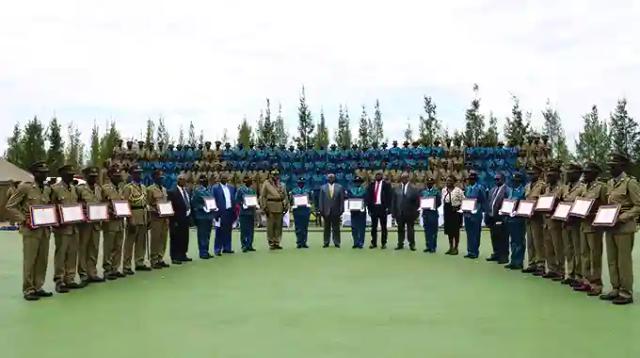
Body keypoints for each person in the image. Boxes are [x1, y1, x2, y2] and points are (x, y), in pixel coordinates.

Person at [5, 161, 54, 301]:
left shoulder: (47, 189)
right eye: (42, 172)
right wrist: (24, 219)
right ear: (34, 173)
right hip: (30, 230)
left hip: (44, 229)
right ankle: (28, 289)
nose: (45, 175)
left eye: (46, 172)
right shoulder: (24, 187)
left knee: (42, 260)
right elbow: (10, 206)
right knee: (30, 260)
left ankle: (38, 286)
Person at [601, 154, 640, 305]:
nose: (610, 168)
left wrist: (622, 217)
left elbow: (638, 206)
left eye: (613, 165)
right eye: (609, 165)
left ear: (622, 166)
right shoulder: (609, 183)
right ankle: (615, 287)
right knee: (612, 259)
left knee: (623, 261)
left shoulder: (630, 183)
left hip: (624, 227)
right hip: (610, 227)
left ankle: (626, 292)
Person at [574, 162, 607, 295]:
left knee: (595, 255)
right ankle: (586, 281)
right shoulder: (584, 188)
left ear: (595, 174)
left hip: (594, 226)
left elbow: (606, 206)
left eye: (587, 173)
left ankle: (596, 284)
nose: (584, 175)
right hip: (583, 224)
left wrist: (595, 214)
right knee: (584, 254)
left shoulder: (601, 187)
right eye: (584, 172)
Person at [50, 164, 83, 293]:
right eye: (69, 174)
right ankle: (59, 280)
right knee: (61, 253)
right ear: (62, 175)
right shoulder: (55, 189)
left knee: (72, 253)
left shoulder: (74, 189)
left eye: (72, 174)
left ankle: (70, 278)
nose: (71, 176)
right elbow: (50, 206)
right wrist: (55, 220)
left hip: (74, 226)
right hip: (62, 228)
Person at [76, 166, 105, 284]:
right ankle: (83, 274)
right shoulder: (80, 189)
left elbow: (101, 203)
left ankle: (92, 272)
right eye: (91, 176)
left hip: (96, 223)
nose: (93, 178)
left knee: (94, 247)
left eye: (95, 176)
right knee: (83, 248)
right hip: (85, 223)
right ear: (85, 177)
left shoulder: (98, 189)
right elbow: (75, 204)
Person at [122, 165, 150, 274]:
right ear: (132, 174)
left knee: (141, 241)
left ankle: (139, 262)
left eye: (140, 172)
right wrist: (130, 219)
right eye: (136, 173)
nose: (139, 174)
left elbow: (145, 203)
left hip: (143, 215)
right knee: (130, 242)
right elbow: (126, 204)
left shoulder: (143, 187)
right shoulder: (128, 188)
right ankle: (127, 265)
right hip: (134, 214)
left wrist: (148, 218)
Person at [561, 163, 586, 286]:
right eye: (567, 172)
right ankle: (570, 273)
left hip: (576, 222)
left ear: (578, 174)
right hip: (565, 222)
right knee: (568, 249)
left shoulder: (582, 188)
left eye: (570, 173)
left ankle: (579, 275)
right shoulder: (565, 187)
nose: (568, 175)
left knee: (578, 249)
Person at [101, 166, 126, 280]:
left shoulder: (120, 189)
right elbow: (102, 205)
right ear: (110, 176)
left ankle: (115, 268)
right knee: (109, 246)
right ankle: (107, 269)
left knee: (118, 246)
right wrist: (111, 212)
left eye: (119, 175)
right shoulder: (105, 189)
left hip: (120, 221)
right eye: (116, 176)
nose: (119, 177)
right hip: (110, 221)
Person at [540, 164, 564, 280]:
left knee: (558, 246)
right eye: (547, 175)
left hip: (556, 221)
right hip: (546, 220)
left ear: (557, 176)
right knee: (548, 246)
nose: (547, 177)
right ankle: (552, 268)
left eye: (550, 175)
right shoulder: (546, 188)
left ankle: (561, 270)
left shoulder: (561, 188)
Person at [522, 166, 547, 274]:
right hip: (528, 217)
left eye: (533, 173)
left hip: (537, 217)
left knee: (538, 241)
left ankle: (540, 264)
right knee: (530, 241)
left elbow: (545, 201)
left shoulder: (542, 186)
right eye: (529, 173)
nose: (531, 175)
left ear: (539, 174)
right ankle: (532, 263)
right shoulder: (527, 186)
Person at [260, 170, 289, 250]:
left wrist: (286, 205)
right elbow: (263, 196)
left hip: (279, 206)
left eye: (277, 174)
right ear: (270, 175)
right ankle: (271, 242)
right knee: (271, 226)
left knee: (279, 226)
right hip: (270, 206)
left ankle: (277, 241)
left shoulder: (282, 184)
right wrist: (264, 207)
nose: (275, 176)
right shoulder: (266, 184)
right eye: (273, 175)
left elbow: (285, 196)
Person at [391, 172, 420, 251]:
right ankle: (400, 244)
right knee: (400, 229)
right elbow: (393, 201)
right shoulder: (396, 188)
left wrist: (416, 213)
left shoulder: (414, 189)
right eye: (403, 177)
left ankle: (412, 244)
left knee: (410, 229)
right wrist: (393, 213)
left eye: (406, 177)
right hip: (399, 212)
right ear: (401, 178)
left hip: (410, 213)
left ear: (408, 178)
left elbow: (417, 202)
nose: (404, 179)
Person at [485, 172, 509, 264]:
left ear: (503, 179)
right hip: (492, 216)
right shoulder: (492, 190)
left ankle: (504, 256)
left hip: (501, 217)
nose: (496, 181)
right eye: (495, 179)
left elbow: (508, 202)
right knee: (494, 236)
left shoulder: (507, 190)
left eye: (498, 179)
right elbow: (489, 202)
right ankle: (496, 253)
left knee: (503, 237)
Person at [168, 174, 192, 264]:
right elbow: (170, 207)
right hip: (176, 218)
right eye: (182, 180)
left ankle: (183, 254)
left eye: (185, 180)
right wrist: (172, 220)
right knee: (175, 238)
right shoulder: (172, 191)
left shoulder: (186, 190)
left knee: (184, 237)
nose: (184, 181)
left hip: (185, 217)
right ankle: (174, 256)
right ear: (178, 180)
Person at [505, 172, 526, 270]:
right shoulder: (511, 190)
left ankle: (519, 262)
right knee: (513, 240)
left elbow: (524, 204)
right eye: (513, 180)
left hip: (519, 218)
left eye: (516, 181)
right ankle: (513, 261)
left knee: (519, 241)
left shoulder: (523, 191)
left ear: (520, 181)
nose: (514, 182)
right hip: (510, 218)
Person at [212, 173, 237, 255]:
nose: (225, 179)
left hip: (229, 211)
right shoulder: (215, 188)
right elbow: (213, 200)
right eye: (223, 178)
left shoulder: (231, 188)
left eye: (226, 178)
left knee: (228, 230)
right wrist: (215, 212)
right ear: (220, 179)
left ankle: (227, 248)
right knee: (219, 231)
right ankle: (217, 249)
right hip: (220, 212)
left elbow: (233, 199)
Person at [463, 171, 486, 259]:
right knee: (469, 232)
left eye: (472, 179)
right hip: (467, 213)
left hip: (476, 213)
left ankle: (475, 251)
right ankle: (470, 250)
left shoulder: (480, 188)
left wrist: (480, 209)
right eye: (470, 179)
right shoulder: (468, 188)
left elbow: (483, 200)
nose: (471, 180)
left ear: (475, 179)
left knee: (476, 232)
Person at [191, 174, 215, 259]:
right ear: (200, 182)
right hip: (201, 216)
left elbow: (212, 200)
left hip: (209, 216)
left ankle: (206, 251)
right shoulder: (197, 191)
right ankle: (202, 252)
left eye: (205, 180)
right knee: (202, 235)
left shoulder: (209, 190)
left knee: (208, 234)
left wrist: (214, 207)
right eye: (203, 180)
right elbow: (194, 203)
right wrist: (203, 207)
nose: (205, 182)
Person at [366, 171, 392, 249]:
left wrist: (388, 207)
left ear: (382, 176)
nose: (378, 176)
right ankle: (373, 242)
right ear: (375, 176)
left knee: (383, 227)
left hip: (382, 208)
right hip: (374, 207)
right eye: (376, 175)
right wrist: (369, 208)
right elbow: (368, 197)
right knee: (373, 227)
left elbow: (389, 197)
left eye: (379, 175)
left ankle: (383, 243)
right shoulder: (371, 185)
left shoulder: (386, 185)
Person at [319, 173, 345, 248]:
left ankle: (337, 242)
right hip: (326, 210)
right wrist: (321, 210)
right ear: (327, 178)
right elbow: (321, 200)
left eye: (332, 177)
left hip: (336, 210)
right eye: (329, 177)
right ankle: (326, 242)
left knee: (336, 228)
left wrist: (341, 209)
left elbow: (342, 200)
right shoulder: (323, 188)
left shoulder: (340, 187)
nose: (331, 178)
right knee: (326, 228)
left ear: (334, 178)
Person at [442, 175, 464, 255]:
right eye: (447, 181)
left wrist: (459, 208)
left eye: (450, 181)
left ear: (454, 182)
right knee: (449, 231)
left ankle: (456, 248)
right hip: (447, 211)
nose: (448, 182)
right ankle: (450, 247)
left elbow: (464, 200)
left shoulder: (458, 190)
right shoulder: (444, 190)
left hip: (456, 212)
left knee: (455, 231)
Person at [236, 175, 258, 252]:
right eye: (248, 180)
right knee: (244, 230)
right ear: (245, 182)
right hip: (244, 212)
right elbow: (237, 200)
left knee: (251, 230)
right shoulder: (240, 190)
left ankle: (249, 244)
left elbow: (254, 198)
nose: (250, 182)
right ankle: (244, 245)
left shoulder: (252, 190)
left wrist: (256, 204)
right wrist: (242, 204)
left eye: (250, 180)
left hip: (251, 212)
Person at [421, 177, 442, 253]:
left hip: (433, 213)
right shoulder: (423, 192)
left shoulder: (436, 192)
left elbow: (439, 202)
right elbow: (421, 201)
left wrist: (433, 206)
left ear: (433, 184)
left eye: (431, 183)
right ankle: (428, 246)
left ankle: (433, 246)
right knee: (426, 230)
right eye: (428, 183)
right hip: (425, 213)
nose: (429, 184)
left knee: (433, 231)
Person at [290, 177, 312, 249]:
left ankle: (304, 242)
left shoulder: (308, 190)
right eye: (300, 182)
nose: (301, 184)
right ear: (297, 183)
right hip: (297, 211)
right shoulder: (294, 190)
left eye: (302, 182)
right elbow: (291, 201)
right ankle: (299, 242)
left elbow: (311, 199)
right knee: (298, 227)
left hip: (305, 210)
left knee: (305, 227)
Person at [347, 176, 367, 249]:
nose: (357, 183)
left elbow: (366, 200)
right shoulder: (351, 190)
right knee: (354, 227)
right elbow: (349, 198)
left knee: (361, 228)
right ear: (354, 183)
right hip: (354, 211)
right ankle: (355, 242)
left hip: (362, 211)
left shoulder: (364, 190)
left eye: (359, 182)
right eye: (356, 182)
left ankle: (361, 242)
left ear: (361, 183)